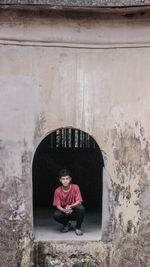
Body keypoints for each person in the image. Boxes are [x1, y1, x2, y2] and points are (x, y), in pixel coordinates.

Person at [53, 169, 85, 236]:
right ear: (60, 180)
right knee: (56, 215)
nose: (65, 181)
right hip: (65, 212)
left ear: (70, 179)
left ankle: (78, 228)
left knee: (81, 208)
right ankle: (66, 225)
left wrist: (70, 206)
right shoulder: (57, 191)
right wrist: (64, 210)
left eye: (67, 179)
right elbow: (58, 206)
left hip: (74, 212)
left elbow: (79, 201)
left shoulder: (75, 187)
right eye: (63, 179)